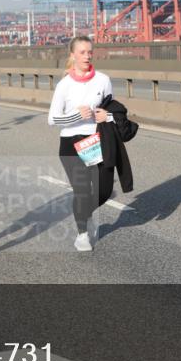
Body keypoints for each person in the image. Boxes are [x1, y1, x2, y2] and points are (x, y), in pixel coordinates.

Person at [48, 36, 115, 252]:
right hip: (70, 142)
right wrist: (75, 116)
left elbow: (115, 110)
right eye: (82, 52)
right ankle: (82, 233)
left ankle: (84, 214)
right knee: (82, 190)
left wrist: (108, 115)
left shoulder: (103, 80)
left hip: (94, 141)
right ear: (73, 55)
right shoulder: (64, 85)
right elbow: (52, 119)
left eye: (89, 52)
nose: (87, 56)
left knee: (104, 191)